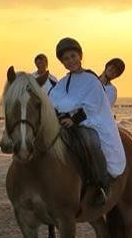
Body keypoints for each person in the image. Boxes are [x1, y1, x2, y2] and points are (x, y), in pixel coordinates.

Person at [49, 37, 126, 206]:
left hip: (91, 121)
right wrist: (61, 117)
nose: (70, 61)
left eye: (73, 56)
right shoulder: (64, 82)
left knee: (91, 142)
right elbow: (54, 100)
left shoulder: (91, 79)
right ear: (62, 63)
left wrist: (74, 120)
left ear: (80, 56)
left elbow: (93, 105)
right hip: (65, 121)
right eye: (66, 59)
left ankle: (101, 185)